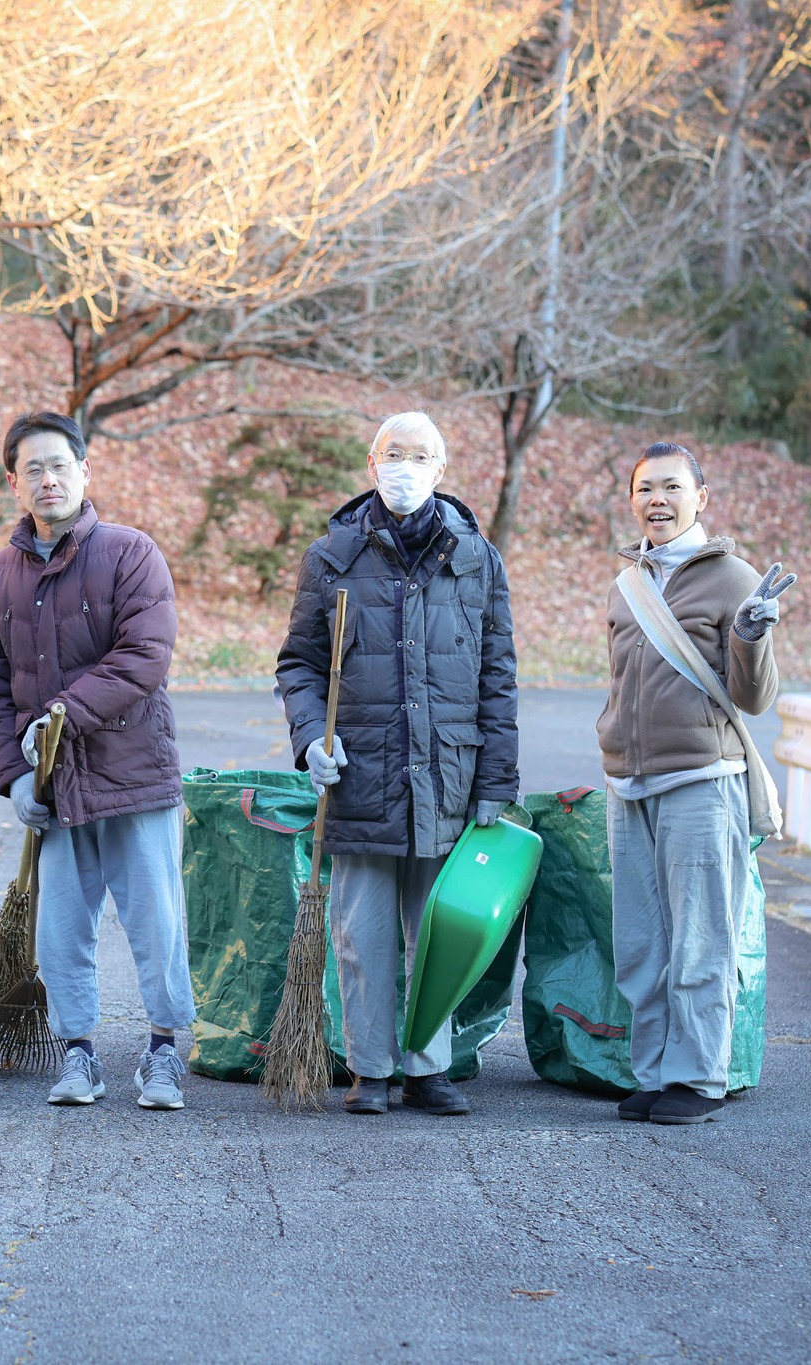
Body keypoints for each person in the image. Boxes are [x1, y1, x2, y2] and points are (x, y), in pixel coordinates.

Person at [276, 411, 518, 1117]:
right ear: (371, 463)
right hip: (360, 776)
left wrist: (495, 781)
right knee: (363, 936)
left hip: (447, 775)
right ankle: (371, 1067)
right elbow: (299, 665)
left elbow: (496, 676)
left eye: (420, 456)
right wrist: (307, 740)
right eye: (393, 454)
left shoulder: (475, 559)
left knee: (439, 932)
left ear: (441, 470)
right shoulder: (333, 557)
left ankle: (429, 1066)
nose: (404, 467)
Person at [0, 410, 195, 1110]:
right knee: (62, 927)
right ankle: (79, 1054)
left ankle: (164, 1052)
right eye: (32, 468)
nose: (47, 478)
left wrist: (58, 717)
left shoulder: (130, 553)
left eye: (59, 464)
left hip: (135, 777)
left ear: (85, 470)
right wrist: (12, 774)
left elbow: (144, 657)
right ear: (13, 482)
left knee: (157, 920)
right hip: (56, 789)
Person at [599, 441, 793, 1125]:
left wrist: (751, 636)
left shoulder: (733, 577)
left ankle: (699, 1076)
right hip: (630, 783)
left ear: (701, 497)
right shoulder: (627, 584)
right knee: (642, 942)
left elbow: (755, 696)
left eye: (673, 486)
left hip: (702, 781)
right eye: (646, 487)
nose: (658, 499)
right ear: (632, 499)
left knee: (701, 938)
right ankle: (654, 1071)